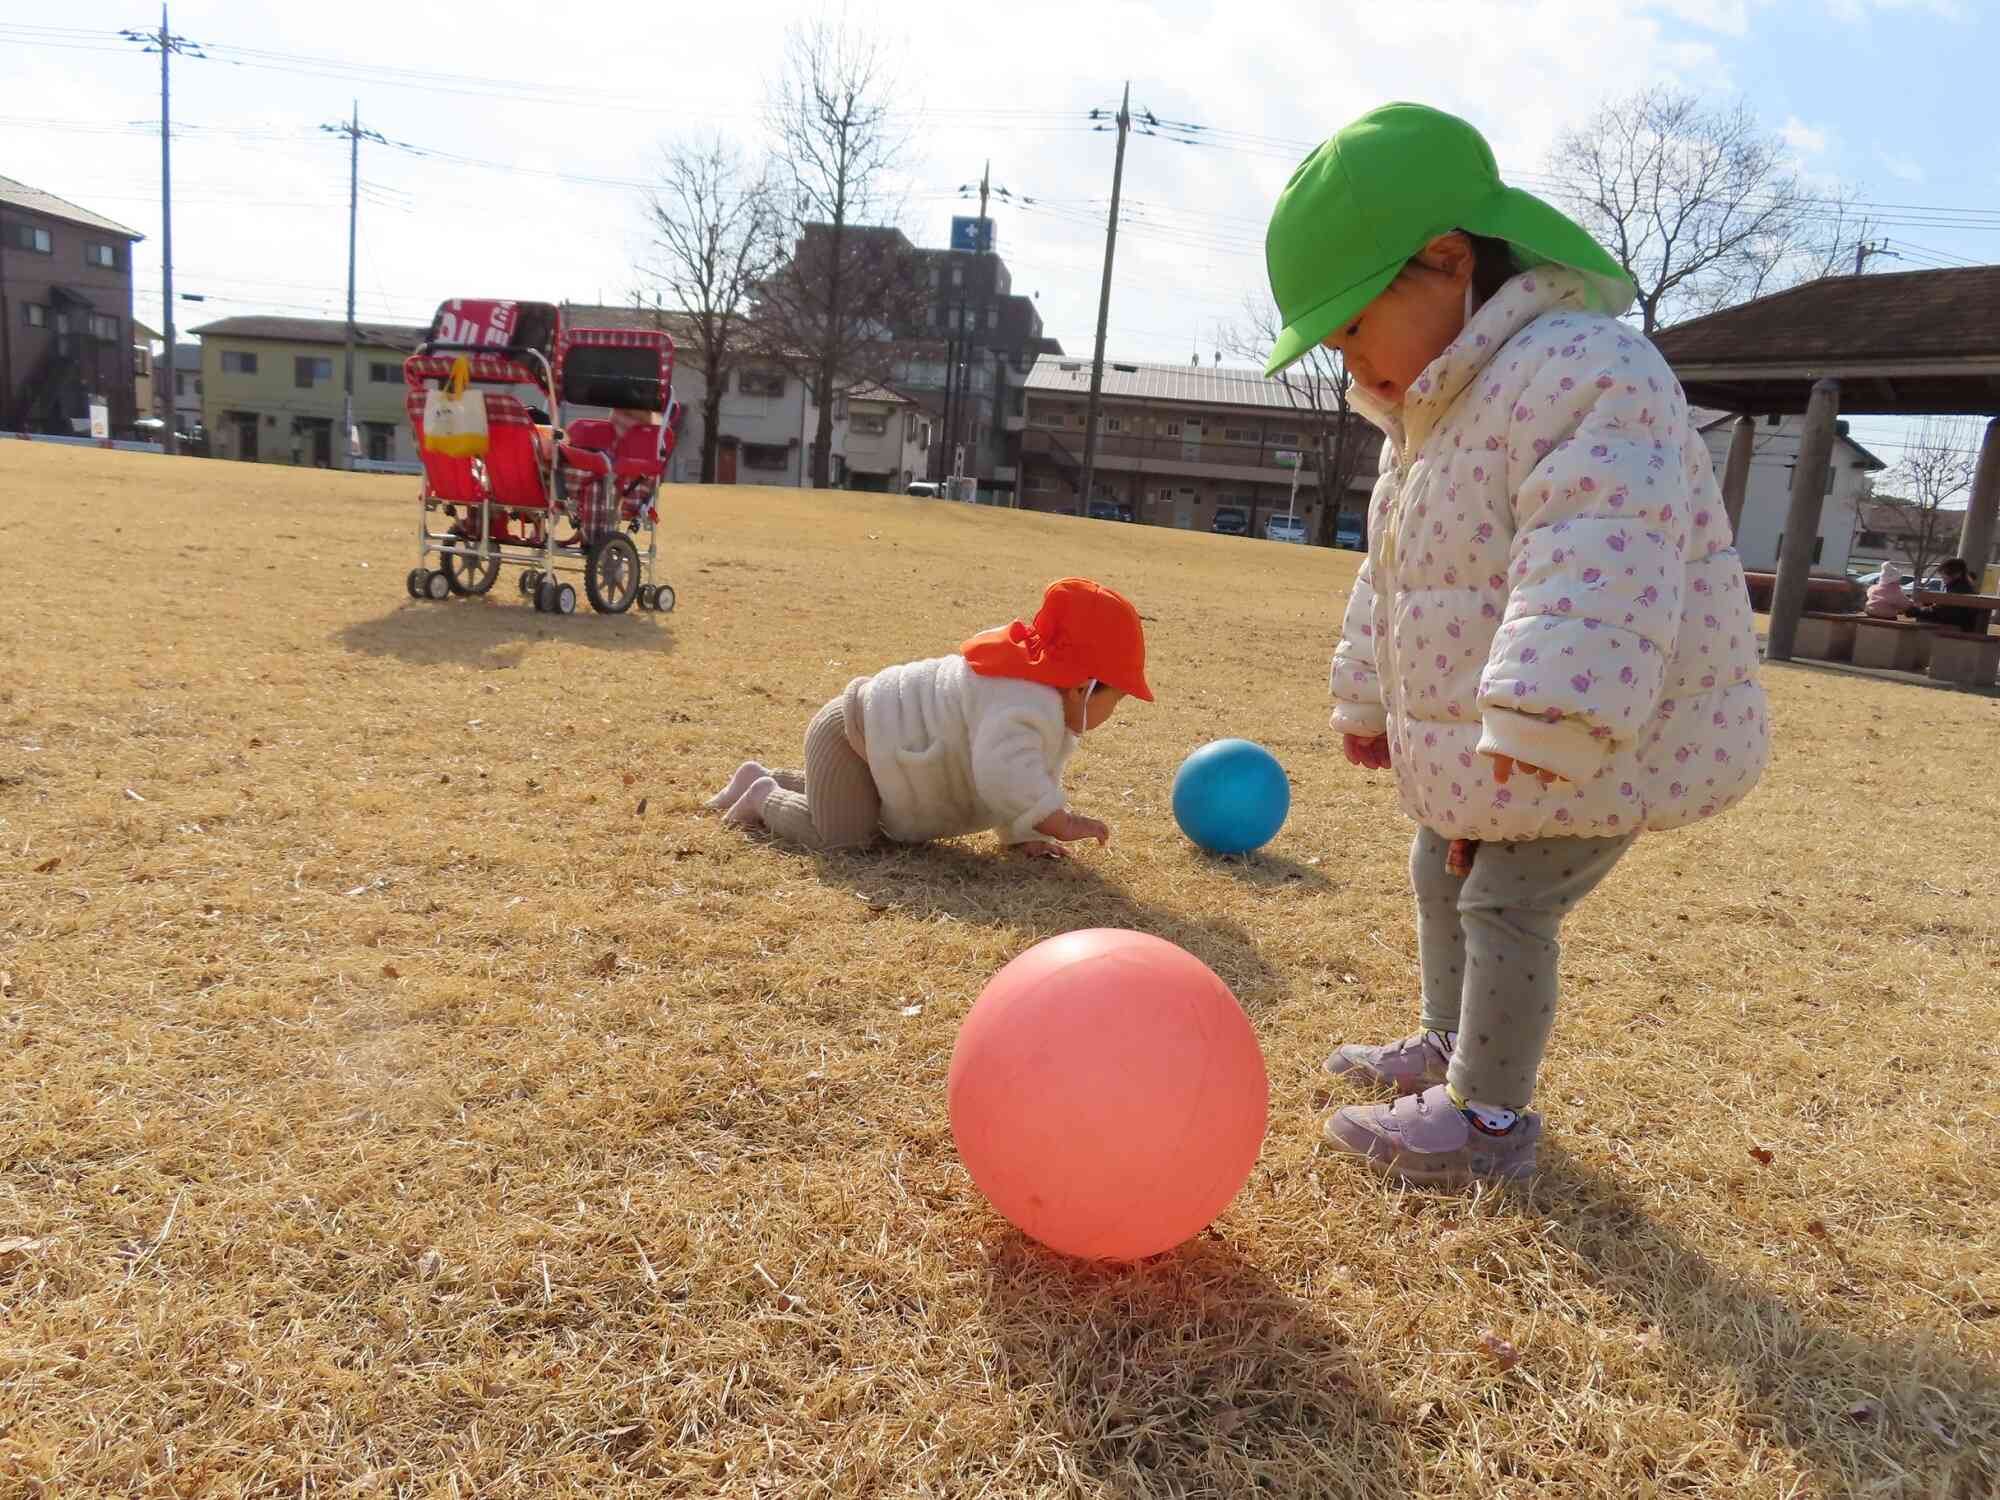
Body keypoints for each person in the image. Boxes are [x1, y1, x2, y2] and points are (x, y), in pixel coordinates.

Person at [1262, 102, 1770, 1185]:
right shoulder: (1431, 413)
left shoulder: (1586, 369)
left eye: (1350, 326)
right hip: (1514, 737)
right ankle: (1450, 1047)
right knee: (1438, 859)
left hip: (1599, 727)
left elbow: (1602, 544)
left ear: (1444, 262)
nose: (1347, 362)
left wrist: (1550, 710)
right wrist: (1367, 703)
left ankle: (1488, 1123)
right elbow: (1395, 579)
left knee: (1506, 897)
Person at [708, 578, 1152, 856]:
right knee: (842, 838)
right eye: (1117, 698)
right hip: (851, 735)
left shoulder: (1040, 700)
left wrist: (1024, 833)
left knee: (851, 803)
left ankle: (759, 774)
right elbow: (1004, 773)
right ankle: (762, 795)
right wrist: (1058, 821)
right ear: (1084, 687)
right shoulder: (1023, 700)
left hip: (876, 753)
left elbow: (1025, 776)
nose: (1114, 712)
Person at [1910, 557, 1987, 633]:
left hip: (1957, 632)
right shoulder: (1962, 587)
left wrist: (1917, 611)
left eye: (1945, 573)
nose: (1943, 577)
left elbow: (1942, 614)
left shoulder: (1959, 590)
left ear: (1957, 573)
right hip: (1960, 628)